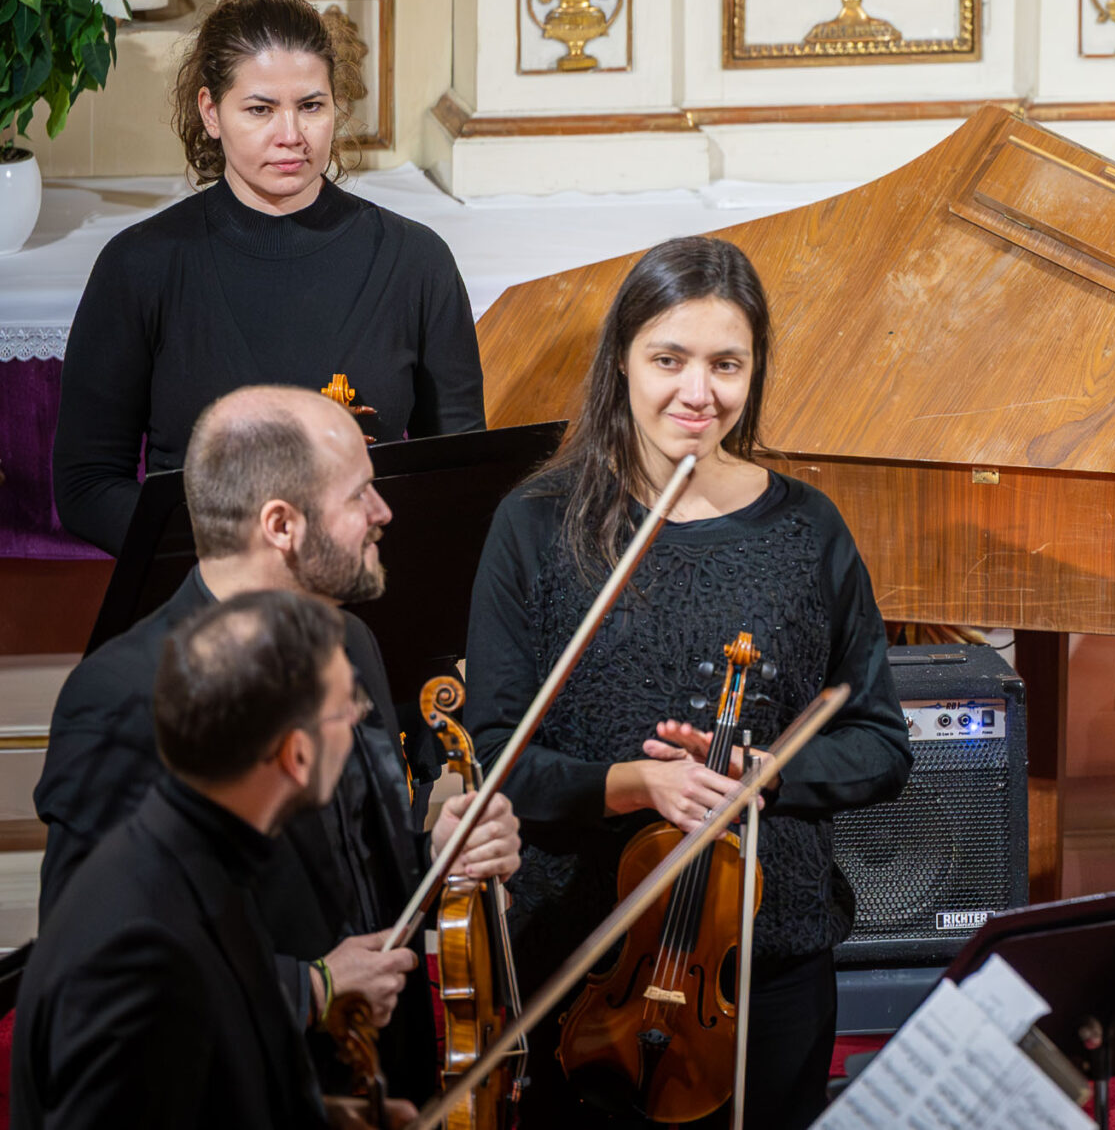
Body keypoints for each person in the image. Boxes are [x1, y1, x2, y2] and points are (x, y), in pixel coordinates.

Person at [463, 235, 912, 1128]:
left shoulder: (807, 529)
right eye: (668, 359)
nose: (698, 392)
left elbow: (880, 743)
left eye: (726, 364)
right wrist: (637, 784)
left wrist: (763, 773)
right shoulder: (538, 523)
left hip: (762, 961)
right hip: (587, 958)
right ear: (621, 360)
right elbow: (495, 757)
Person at [34, 384, 521, 1101]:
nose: (384, 512)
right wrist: (312, 988)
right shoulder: (123, 696)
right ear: (282, 524)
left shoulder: (350, 642)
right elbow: (88, 978)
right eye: (360, 495)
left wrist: (438, 852)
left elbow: (358, 874)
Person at [52, 0, 484, 555]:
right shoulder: (140, 265)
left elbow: (460, 471)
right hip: (202, 586)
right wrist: (231, 557)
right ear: (211, 112)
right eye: (260, 109)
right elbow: (87, 484)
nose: (291, 135)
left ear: (337, 107)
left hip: (364, 583)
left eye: (311, 106)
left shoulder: (415, 261)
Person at [15, 590, 403, 1130]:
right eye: (346, 710)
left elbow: (215, 1095)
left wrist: (332, 1117)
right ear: (296, 754)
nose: (361, 716)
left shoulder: (202, 859)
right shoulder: (144, 942)